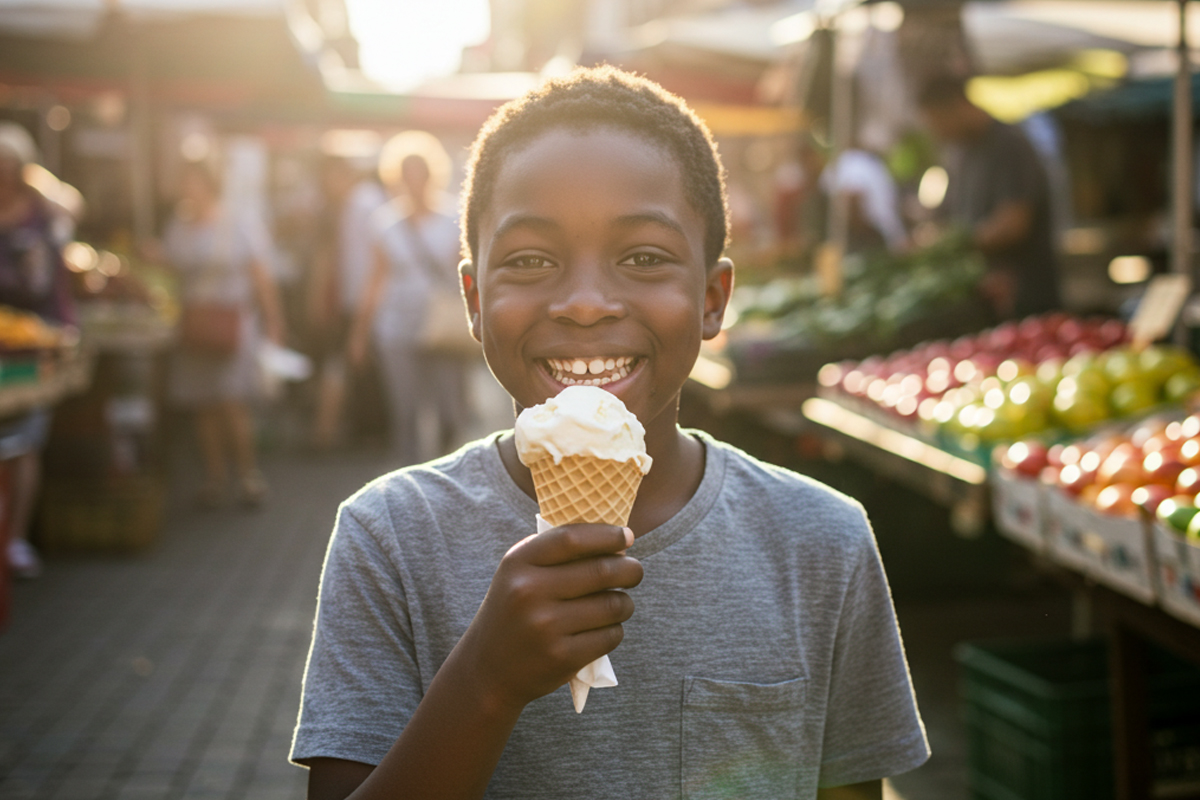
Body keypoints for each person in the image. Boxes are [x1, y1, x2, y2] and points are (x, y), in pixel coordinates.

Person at [292, 67, 928, 799]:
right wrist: (486, 682)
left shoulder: (820, 544)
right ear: (473, 299)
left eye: (644, 258)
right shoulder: (390, 539)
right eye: (531, 260)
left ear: (712, 299)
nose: (587, 304)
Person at [163, 160, 285, 509]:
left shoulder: (239, 222)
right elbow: (171, 272)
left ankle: (248, 476)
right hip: (195, 323)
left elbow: (261, 274)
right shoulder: (179, 225)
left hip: (233, 322)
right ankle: (214, 478)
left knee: (232, 402)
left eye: (195, 182)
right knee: (204, 404)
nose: (190, 189)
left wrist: (275, 320)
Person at [347, 131, 468, 464]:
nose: (414, 181)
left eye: (421, 173)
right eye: (407, 174)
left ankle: (451, 470)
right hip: (397, 323)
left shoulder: (452, 219)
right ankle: (410, 481)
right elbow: (375, 279)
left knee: (449, 407)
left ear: (433, 175)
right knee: (405, 410)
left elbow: (467, 269)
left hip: (442, 321)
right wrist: (360, 333)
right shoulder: (385, 222)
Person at [0, 123, 76, 579]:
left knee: (24, 439)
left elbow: (41, 281)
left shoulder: (41, 213)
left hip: (34, 341)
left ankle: (17, 538)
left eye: (11, 166)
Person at [917, 75, 1060, 319]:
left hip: (1025, 303)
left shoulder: (1010, 145)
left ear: (958, 105)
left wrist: (949, 245)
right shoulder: (961, 155)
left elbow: (1013, 225)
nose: (937, 132)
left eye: (938, 122)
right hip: (987, 303)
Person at [308, 156, 389, 450]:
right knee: (357, 363)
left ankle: (330, 433)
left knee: (353, 362)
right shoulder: (356, 203)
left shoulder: (364, 203)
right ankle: (357, 430)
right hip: (356, 299)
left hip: (362, 300)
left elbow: (373, 259)